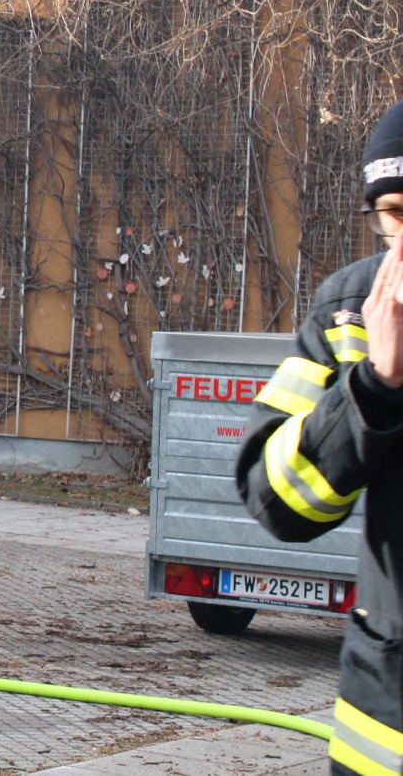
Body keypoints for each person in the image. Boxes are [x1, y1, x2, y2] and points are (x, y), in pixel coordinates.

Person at [237, 99, 403, 776]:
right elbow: (274, 498)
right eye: (394, 214)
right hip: (385, 717)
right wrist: (373, 388)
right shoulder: (349, 313)